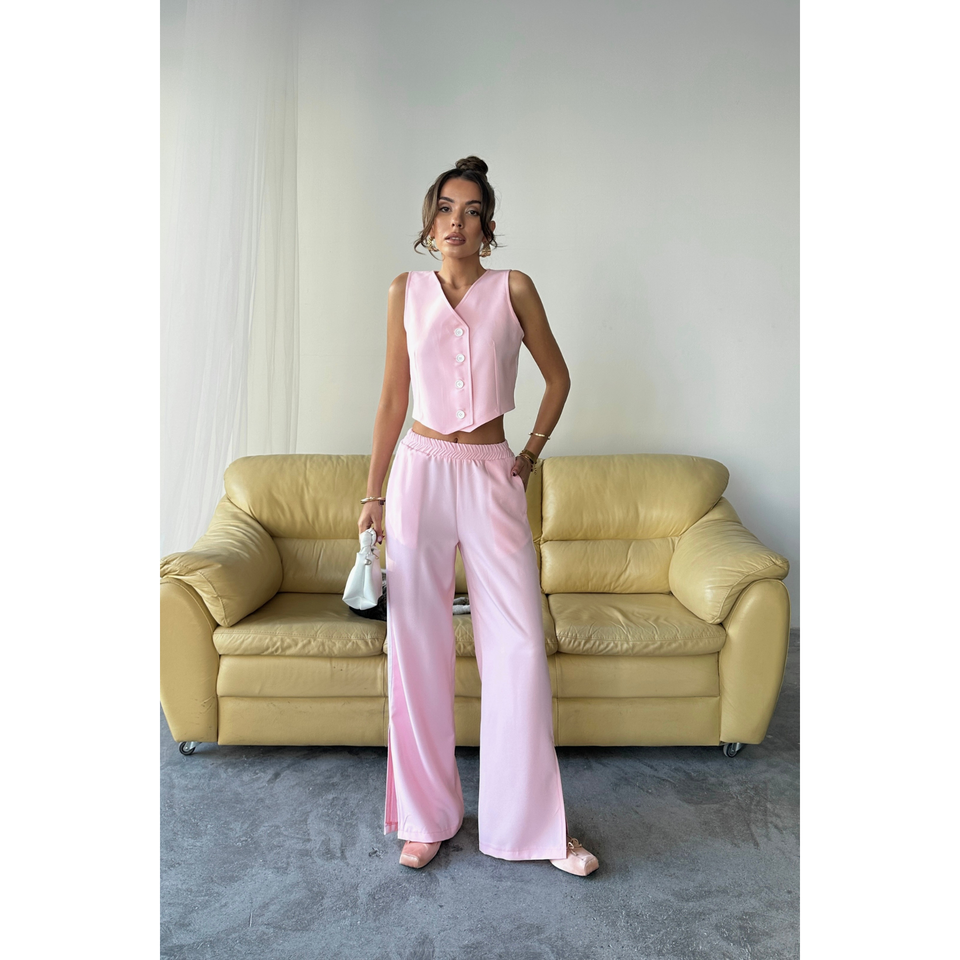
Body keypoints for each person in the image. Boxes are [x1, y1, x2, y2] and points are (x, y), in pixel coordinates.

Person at [358, 156, 598, 877]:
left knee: (518, 646)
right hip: (421, 473)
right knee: (416, 645)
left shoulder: (513, 288)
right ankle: (425, 819)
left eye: (470, 211)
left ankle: (533, 829)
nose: (456, 222)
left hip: (493, 472)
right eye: (445, 209)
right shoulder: (404, 292)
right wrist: (372, 494)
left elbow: (558, 377)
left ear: (487, 227)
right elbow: (392, 399)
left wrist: (529, 453)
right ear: (428, 223)